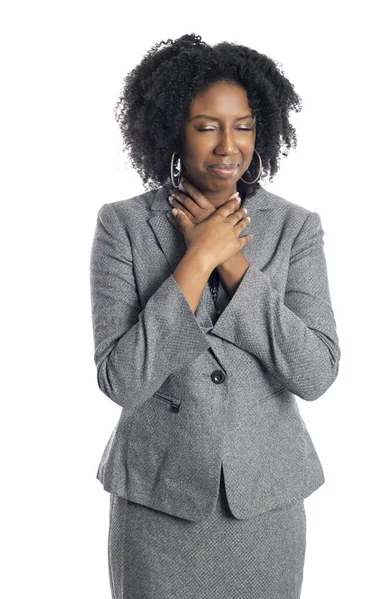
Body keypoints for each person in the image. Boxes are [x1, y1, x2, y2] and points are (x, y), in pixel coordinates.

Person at [90, 33, 341, 599]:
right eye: (207, 126)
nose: (229, 145)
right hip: (156, 504)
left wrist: (232, 263)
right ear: (173, 130)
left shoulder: (296, 228)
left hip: (265, 505)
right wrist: (198, 258)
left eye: (244, 125)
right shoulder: (122, 226)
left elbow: (316, 371)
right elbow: (122, 379)